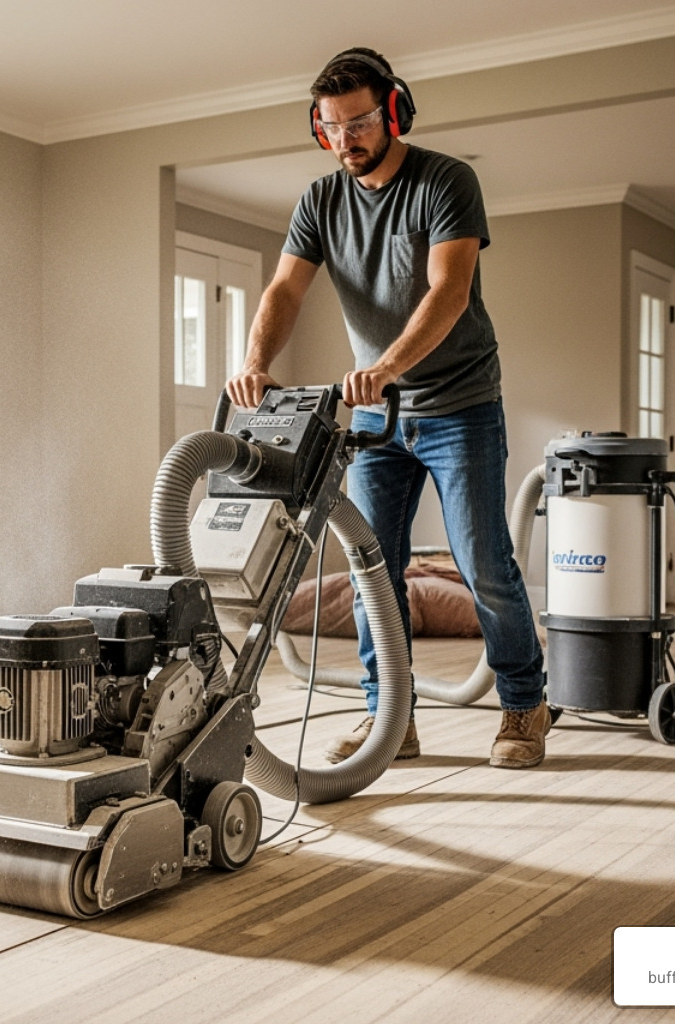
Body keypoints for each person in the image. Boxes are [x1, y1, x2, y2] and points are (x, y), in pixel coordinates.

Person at [224, 47, 549, 769]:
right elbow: (284, 291)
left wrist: (386, 367)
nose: (346, 139)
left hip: (459, 403)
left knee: (483, 560)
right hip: (376, 419)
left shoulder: (445, 182)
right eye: (332, 126)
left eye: (361, 122)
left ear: (394, 112)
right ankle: (389, 718)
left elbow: (449, 291)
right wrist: (255, 363)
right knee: (376, 565)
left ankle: (524, 706)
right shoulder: (319, 201)